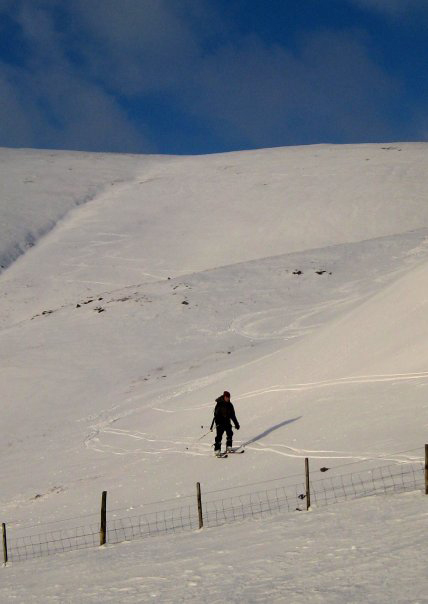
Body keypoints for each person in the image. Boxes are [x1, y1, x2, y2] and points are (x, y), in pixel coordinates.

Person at [210, 391, 240, 455]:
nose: (227, 398)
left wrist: (236, 424)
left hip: (227, 422)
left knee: (230, 433)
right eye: (226, 397)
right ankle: (217, 450)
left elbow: (233, 416)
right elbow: (216, 415)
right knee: (219, 436)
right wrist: (218, 422)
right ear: (224, 396)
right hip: (220, 423)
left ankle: (229, 447)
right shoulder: (219, 404)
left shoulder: (230, 405)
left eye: (228, 397)